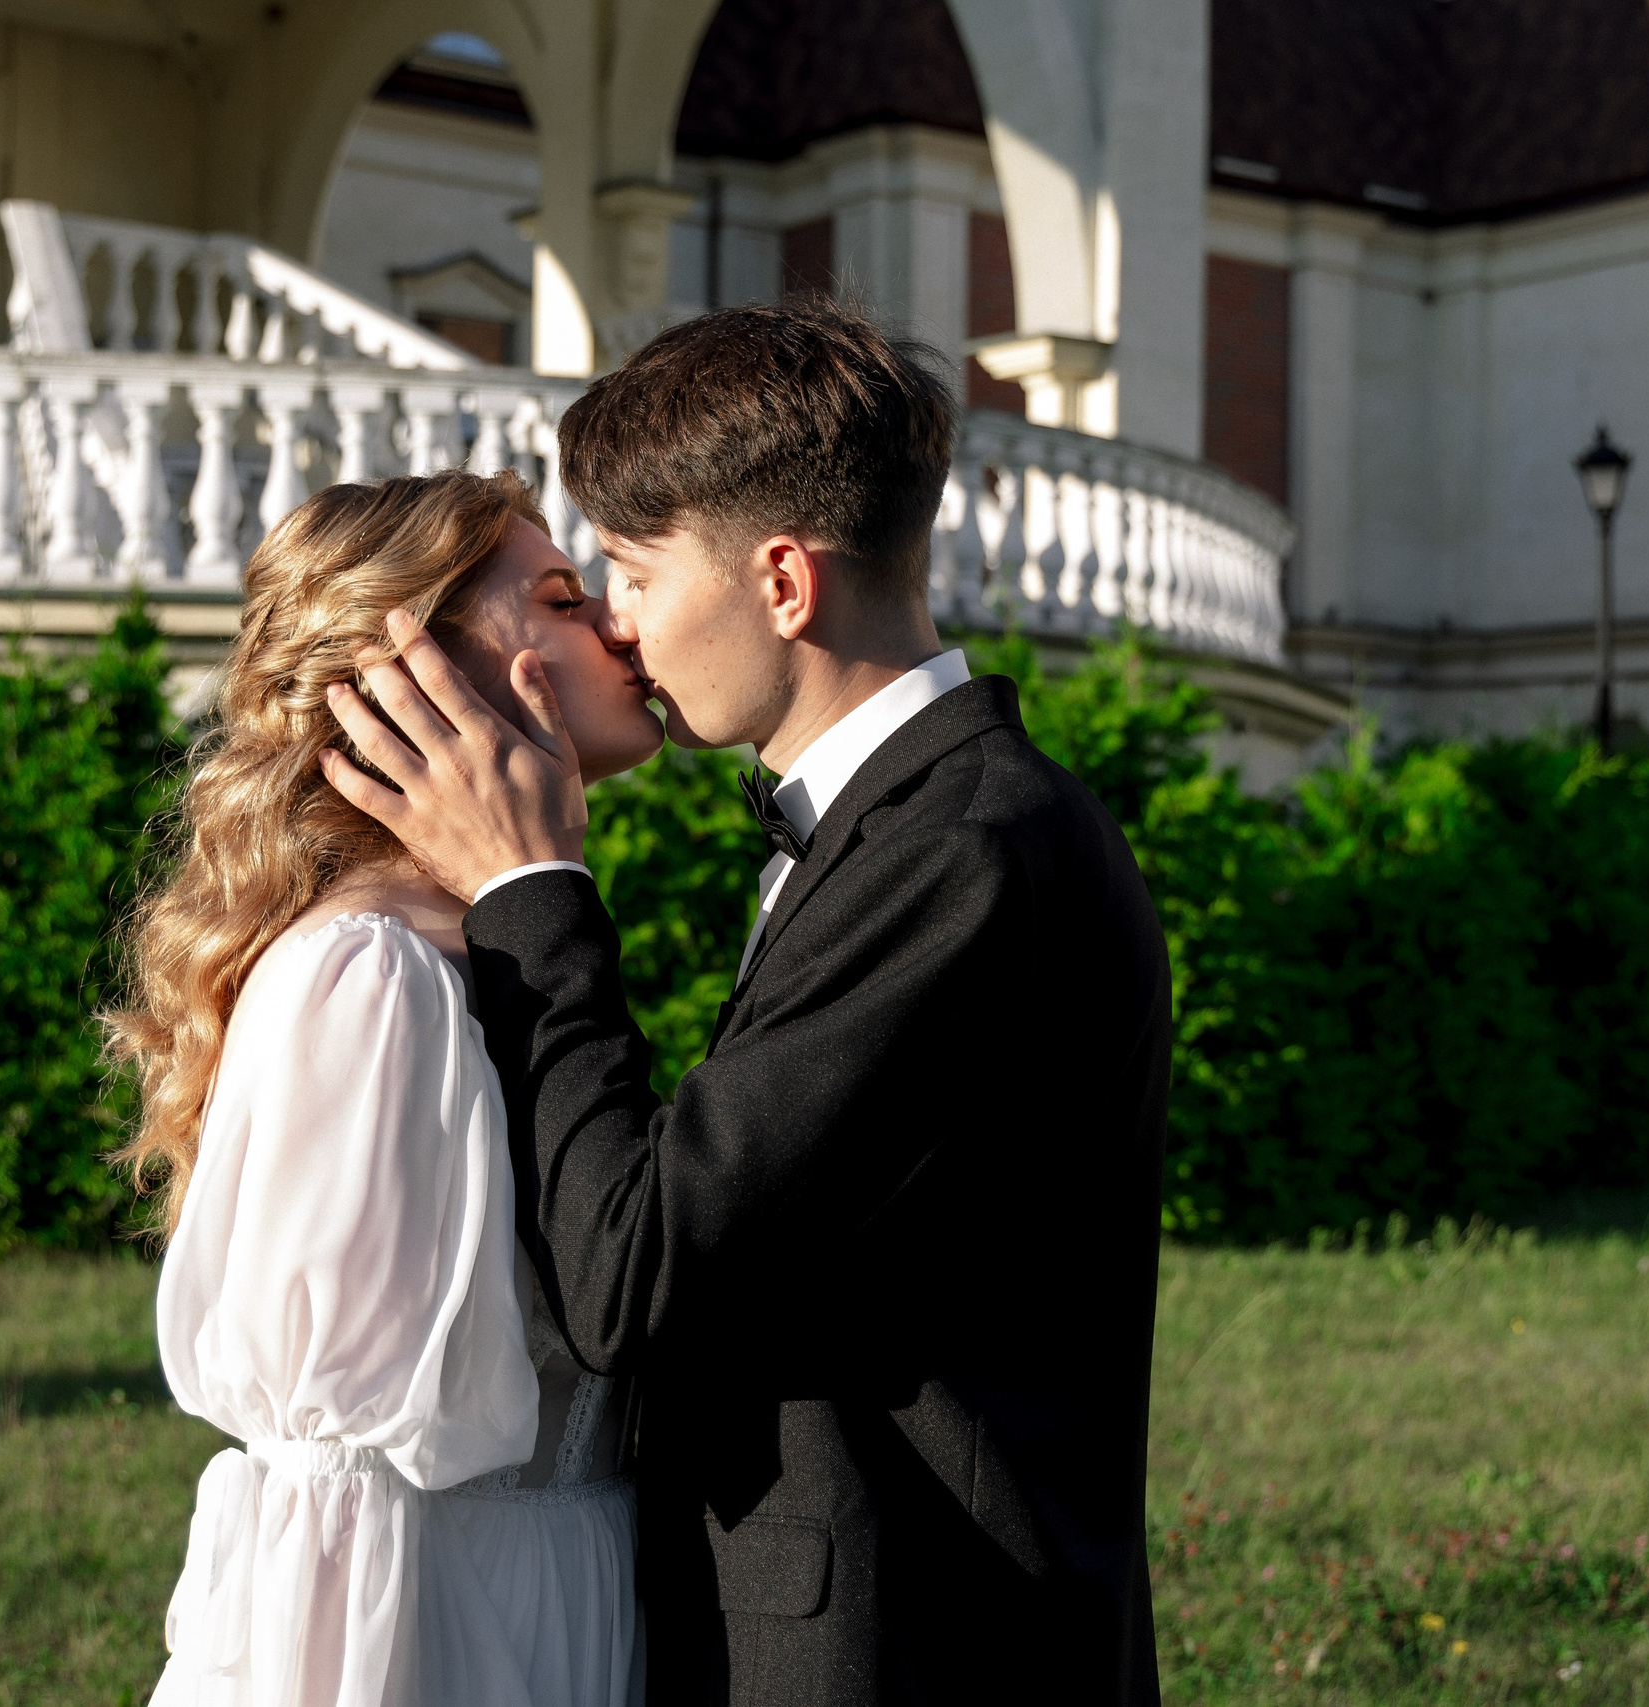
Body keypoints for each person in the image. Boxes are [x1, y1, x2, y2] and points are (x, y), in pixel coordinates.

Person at [321, 299, 1171, 1705]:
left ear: (781, 581)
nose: (619, 621)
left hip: (913, 1657)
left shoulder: (959, 854)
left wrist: (534, 892)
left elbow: (634, 1271)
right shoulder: (909, 826)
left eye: (633, 570)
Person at [107, 469, 667, 1707]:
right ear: (417, 671)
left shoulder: (484, 946)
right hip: (459, 1640)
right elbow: (337, 1484)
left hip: (562, 1608)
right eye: (564, 599)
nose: (621, 624)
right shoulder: (374, 978)